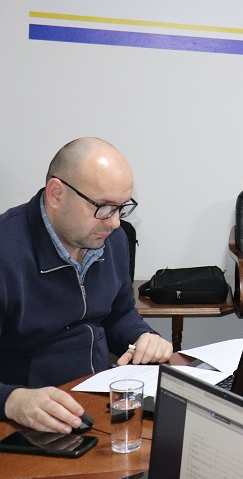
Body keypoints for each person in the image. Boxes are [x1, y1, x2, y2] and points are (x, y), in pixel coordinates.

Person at [0, 138, 172, 432]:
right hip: (30, 420)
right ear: (56, 194)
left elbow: (119, 314)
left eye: (121, 207)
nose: (115, 222)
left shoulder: (112, 239)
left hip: (99, 403)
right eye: (104, 207)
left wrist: (143, 338)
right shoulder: (6, 251)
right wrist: (11, 400)